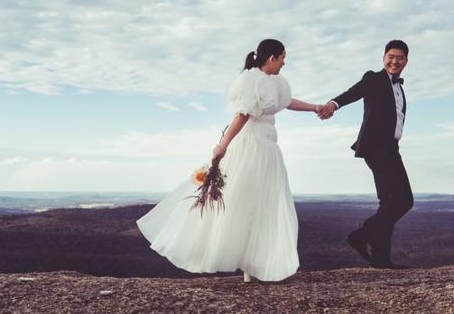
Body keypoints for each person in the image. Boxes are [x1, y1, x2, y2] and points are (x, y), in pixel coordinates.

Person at [137, 39, 322, 282]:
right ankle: (245, 264)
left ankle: (254, 264)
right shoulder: (252, 80)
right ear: (271, 58)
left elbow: (286, 103)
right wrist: (223, 145)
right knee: (243, 201)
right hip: (251, 147)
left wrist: (316, 107)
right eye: (282, 57)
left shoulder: (273, 81)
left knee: (263, 204)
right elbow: (242, 115)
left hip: (267, 148)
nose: (284, 62)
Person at [318, 40, 413, 269]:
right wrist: (333, 104)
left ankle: (381, 257)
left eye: (400, 57)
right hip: (377, 147)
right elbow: (354, 92)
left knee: (388, 201)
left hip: (391, 147)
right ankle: (362, 235)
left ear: (406, 62)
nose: (395, 61)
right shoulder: (374, 78)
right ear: (383, 58)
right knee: (404, 200)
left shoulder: (399, 87)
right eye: (391, 56)